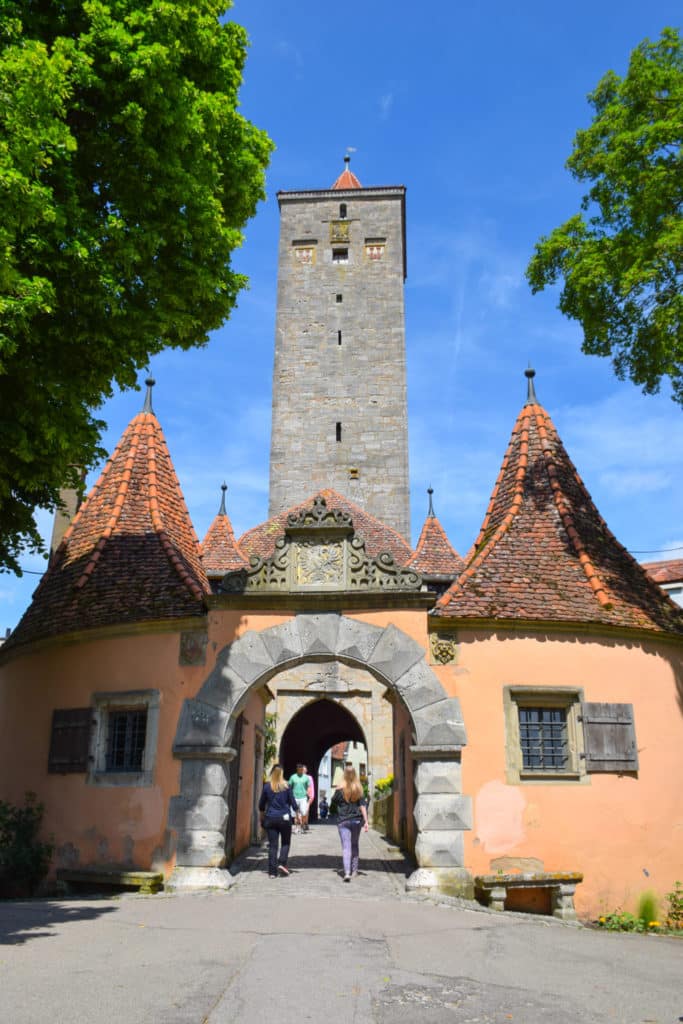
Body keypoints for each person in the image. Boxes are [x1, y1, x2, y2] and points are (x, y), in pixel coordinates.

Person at [259, 764, 300, 878]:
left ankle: (272, 872)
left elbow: (261, 804)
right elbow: (293, 802)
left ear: (272, 773)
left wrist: (262, 816)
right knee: (286, 842)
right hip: (284, 818)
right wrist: (297, 814)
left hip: (271, 818)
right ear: (282, 774)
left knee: (273, 846)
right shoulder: (287, 786)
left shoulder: (267, 786)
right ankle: (282, 863)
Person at [330, 764, 369, 882]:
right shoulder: (358, 788)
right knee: (355, 845)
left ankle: (347, 873)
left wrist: (337, 789)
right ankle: (355, 870)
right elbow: (362, 806)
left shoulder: (340, 789)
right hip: (357, 820)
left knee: (346, 847)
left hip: (343, 820)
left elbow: (333, 803)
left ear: (344, 775)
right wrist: (366, 821)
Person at [288, 763, 311, 834]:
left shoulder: (306, 777)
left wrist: (308, 793)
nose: (300, 771)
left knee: (304, 812)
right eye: (299, 770)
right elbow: (289, 786)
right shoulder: (293, 777)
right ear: (297, 770)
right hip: (294, 797)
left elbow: (309, 786)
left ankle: (302, 826)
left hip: (303, 797)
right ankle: (296, 827)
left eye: (301, 770)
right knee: (295, 814)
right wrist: (290, 795)